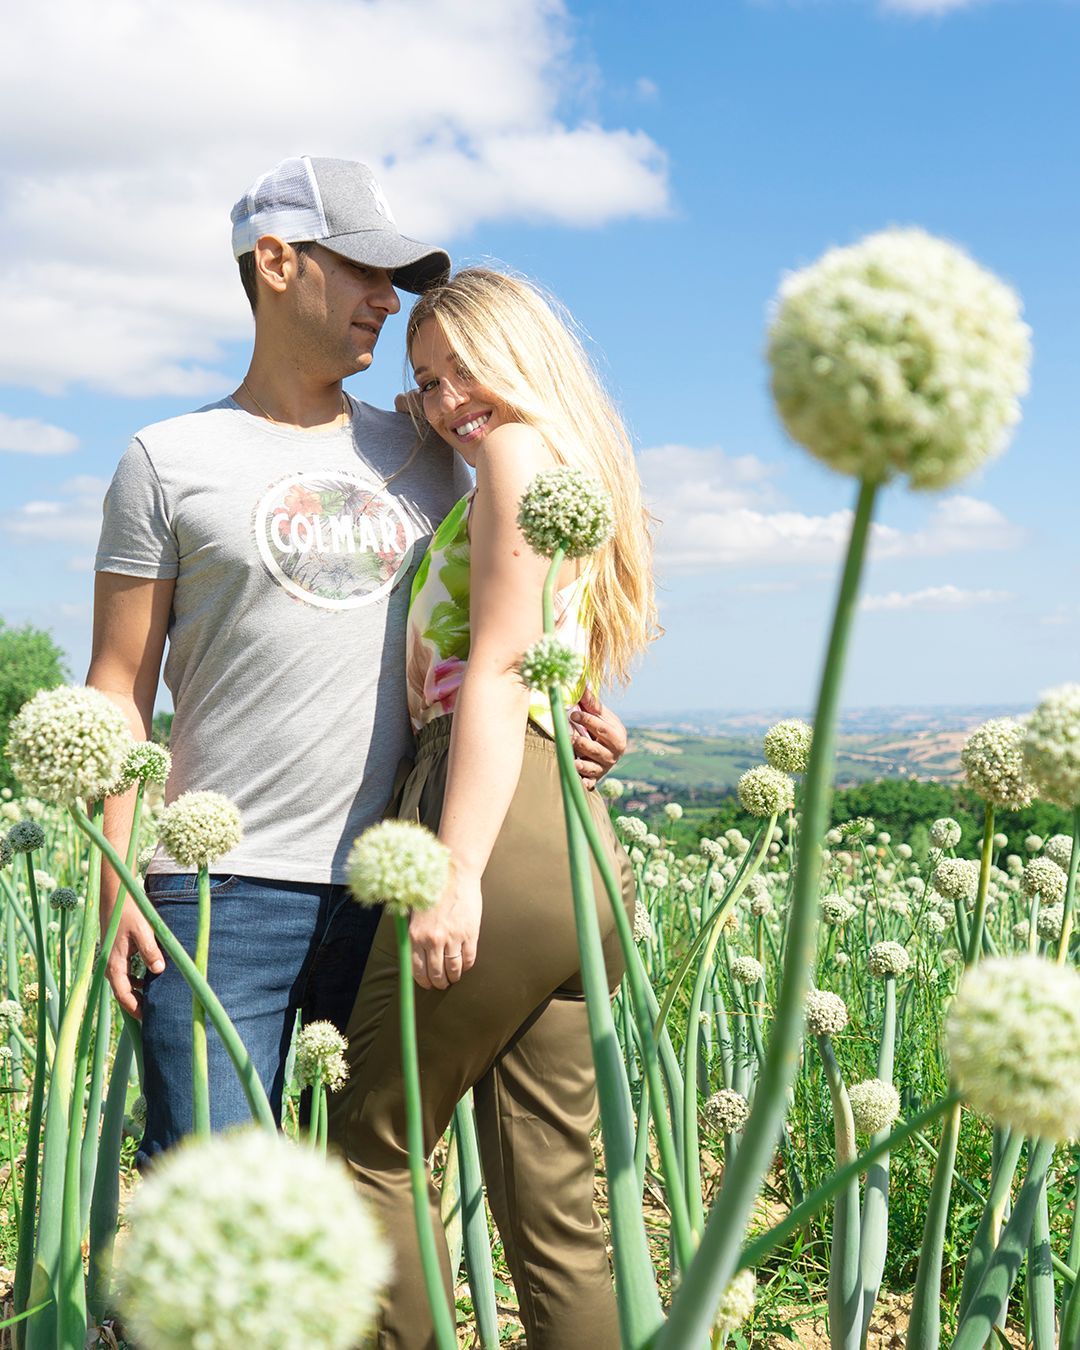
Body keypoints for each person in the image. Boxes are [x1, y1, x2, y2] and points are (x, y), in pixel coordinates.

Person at [89, 157, 627, 1161]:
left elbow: (511, 610)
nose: (390, 299)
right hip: (216, 897)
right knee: (217, 1209)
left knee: (356, 1213)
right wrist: (121, 877)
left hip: (396, 889)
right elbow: (116, 687)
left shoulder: (435, 443)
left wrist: (574, 712)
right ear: (279, 261)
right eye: (364, 270)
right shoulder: (164, 460)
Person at [328, 268, 658, 1350]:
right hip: (571, 845)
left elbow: (503, 665)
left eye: (464, 367)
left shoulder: (515, 455)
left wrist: (455, 867)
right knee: (559, 1217)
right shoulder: (568, 468)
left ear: (520, 356)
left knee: (370, 1151)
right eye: (425, 382)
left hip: (490, 826)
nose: (446, 400)